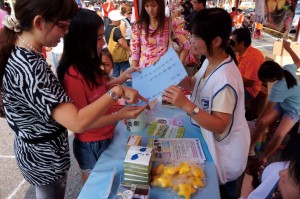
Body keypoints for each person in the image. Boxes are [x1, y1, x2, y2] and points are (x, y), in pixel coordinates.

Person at [0, 1, 146, 198]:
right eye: (62, 26)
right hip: (43, 158)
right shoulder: (30, 67)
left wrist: (116, 88)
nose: (66, 32)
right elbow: (77, 122)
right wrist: (117, 92)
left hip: (45, 153)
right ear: (39, 22)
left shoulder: (27, 55)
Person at [162, 8, 250, 199]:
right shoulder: (211, 61)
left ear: (216, 41)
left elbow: (220, 125)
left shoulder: (225, 79)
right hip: (212, 147)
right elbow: (198, 83)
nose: (191, 41)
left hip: (225, 158)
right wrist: (177, 77)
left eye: (195, 37)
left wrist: (186, 105)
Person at [57, 9, 141, 185]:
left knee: (109, 183)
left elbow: (99, 91)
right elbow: (85, 122)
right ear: (81, 39)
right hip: (91, 144)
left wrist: (122, 77)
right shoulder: (72, 75)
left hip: (105, 135)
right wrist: (121, 114)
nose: (103, 43)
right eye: (98, 38)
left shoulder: (89, 65)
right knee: (94, 187)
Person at [248, 39, 300, 167]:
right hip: (284, 103)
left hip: (294, 109)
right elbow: (298, 61)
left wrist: (258, 118)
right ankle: (250, 149)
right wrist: (287, 47)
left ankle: (264, 157)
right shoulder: (287, 69)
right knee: (263, 123)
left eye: (265, 80)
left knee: (279, 134)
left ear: (271, 78)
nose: (265, 82)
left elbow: (267, 108)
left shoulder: (278, 88)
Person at [131, 0, 190, 68]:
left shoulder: (169, 23)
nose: (150, 10)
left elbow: (186, 44)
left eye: (153, 6)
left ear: (160, 5)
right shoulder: (139, 26)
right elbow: (135, 51)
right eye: (146, 6)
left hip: (165, 69)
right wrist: (134, 70)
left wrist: (179, 65)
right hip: (145, 71)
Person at [241, 133, 300, 199]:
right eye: (289, 166)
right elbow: (253, 170)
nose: (281, 173)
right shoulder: (277, 169)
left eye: (292, 174)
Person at [230, 28, 264, 101]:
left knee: (224, 94)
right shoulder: (240, 54)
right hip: (239, 84)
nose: (230, 44)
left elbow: (249, 82)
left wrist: (229, 83)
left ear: (242, 44)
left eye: (232, 42)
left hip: (248, 90)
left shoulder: (254, 56)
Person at [105, 10, 131, 78]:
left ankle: (115, 86)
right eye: (119, 20)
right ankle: (131, 86)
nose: (120, 22)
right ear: (116, 20)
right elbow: (122, 43)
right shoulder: (116, 30)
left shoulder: (107, 28)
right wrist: (129, 50)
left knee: (115, 74)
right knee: (128, 73)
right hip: (121, 57)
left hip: (113, 56)